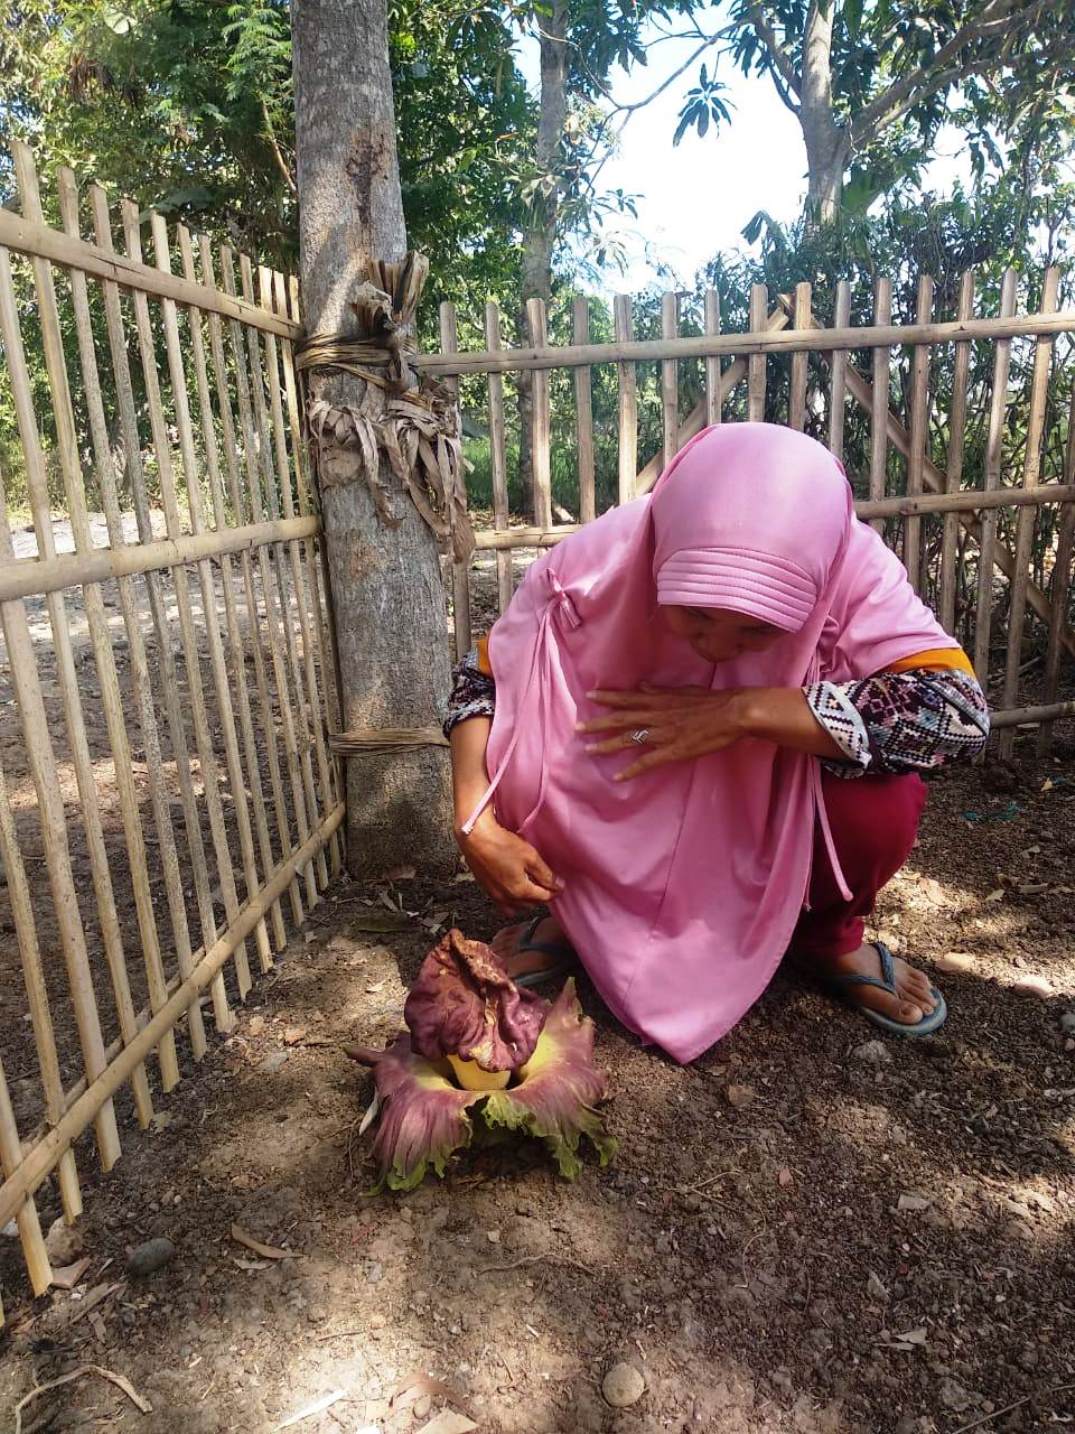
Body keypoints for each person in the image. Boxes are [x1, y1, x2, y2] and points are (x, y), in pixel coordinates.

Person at [446, 423, 989, 1064]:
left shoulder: (848, 562)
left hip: (765, 780)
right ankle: (572, 912)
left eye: (759, 629)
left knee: (881, 801)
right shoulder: (611, 549)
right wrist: (473, 821)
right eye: (695, 613)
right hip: (632, 748)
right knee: (523, 731)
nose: (718, 646)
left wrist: (742, 710)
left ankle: (828, 935)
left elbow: (958, 714)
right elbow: (484, 679)